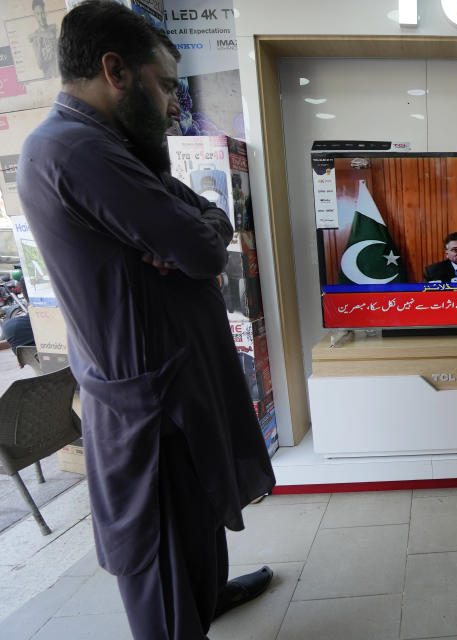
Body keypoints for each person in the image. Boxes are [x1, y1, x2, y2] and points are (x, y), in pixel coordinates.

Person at [16, 2, 276, 637]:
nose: (170, 105)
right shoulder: (77, 150)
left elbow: (207, 218)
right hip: (150, 399)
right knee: (161, 538)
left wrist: (197, 228)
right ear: (116, 71)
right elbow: (205, 248)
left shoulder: (114, 147)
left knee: (197, 508)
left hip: (172, 380)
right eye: (163, 85)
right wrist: (194, 234)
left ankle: (207, 593)